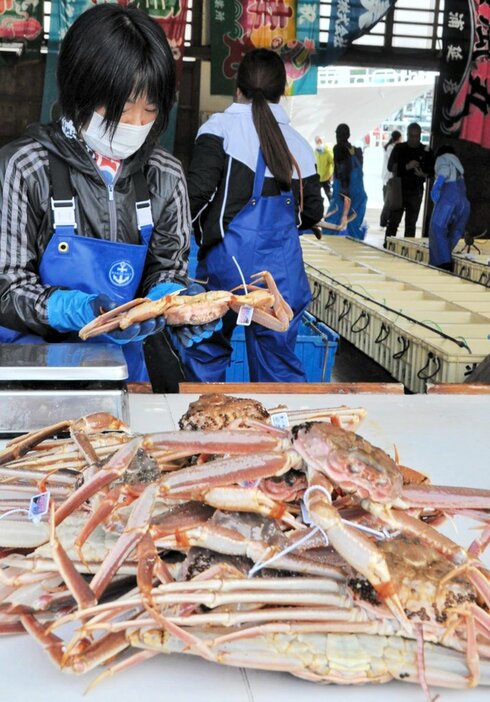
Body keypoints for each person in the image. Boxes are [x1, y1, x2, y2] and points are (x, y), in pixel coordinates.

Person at [0, 4, 218, 384]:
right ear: (80, 89)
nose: (136, 124)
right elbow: (7, 287)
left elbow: (167, 267)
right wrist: (80, 310)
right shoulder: (25, 167)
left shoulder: (165, 176)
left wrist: (172, 304)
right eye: (121, 108)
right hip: (30, 368)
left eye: (149, 109)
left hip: (124, 369)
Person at [182, 48, 324, 383]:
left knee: (206, 352)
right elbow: (313, 212)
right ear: (282, 92)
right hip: (282, 278)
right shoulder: (300, 144)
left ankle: (205, 430)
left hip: (225, 271)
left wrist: (201, 234)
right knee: (279, 369)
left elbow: (194, 197)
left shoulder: (220, 129)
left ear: (238, 88)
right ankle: (282, 434)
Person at [385, 122, 435, 241]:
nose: (414, 139)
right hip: (399, 191)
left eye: (416, 136)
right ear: (407, 135)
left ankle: (408, 250)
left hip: (416, 191)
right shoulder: (399, 148)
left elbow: (432, 171)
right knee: (393, 222)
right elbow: (390, 166)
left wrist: (423, 174)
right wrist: (407, 166)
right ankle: (387, 245)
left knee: (411, 224)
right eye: (411, 136)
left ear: (420, 135)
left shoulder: (426, 150)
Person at [429, 145, 470, 271]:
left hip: (448, 200)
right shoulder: (458, 167)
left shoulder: (443, 158)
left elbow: (444, 171)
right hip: (464, 203)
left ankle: (443, 264)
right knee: (455, 232)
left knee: (437, 229)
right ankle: (446, 256)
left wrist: (437, 185)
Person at [327, 123, 368, 240]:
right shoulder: (357, 151)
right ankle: (354, 246)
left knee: (332, 221)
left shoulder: (338, 149)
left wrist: (344, 192)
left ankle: (329, 245)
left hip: (344, 190)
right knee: (354, 224)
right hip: (359, 193)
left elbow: (342, 170)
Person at [379, 129, 402, 227]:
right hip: (389, 179)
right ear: (398, 138)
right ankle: (384, 222)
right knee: (388, 202)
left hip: (388, 178)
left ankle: (385, 222)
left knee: (388, 201)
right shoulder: (391, 148)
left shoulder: (390, 147)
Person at [314, 135, 334, 204]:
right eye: (317, 141)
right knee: (316, 195)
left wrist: (332, 175)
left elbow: (334, 162)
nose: (318, 142)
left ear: (323, 141)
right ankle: (318, 210)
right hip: (318, 177)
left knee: (329, 194)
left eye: (320, 140)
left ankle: (334, 209)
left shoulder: (327, 151)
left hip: (326, 177)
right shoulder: (316, 151)